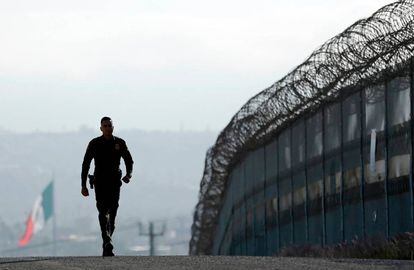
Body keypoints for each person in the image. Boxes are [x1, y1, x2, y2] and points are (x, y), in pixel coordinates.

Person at [81, 116, 134, 256]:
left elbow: (129, 160)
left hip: (114, 183)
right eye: (105, 126)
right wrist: (83, 185)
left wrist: (129, 175)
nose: (107, 128)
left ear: (113, 127)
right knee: (102, 212)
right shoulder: (95, 143)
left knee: (113, 213)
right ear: (101, 128)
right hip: (99, 182)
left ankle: (107, 243)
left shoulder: (120, 143)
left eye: (109, 126)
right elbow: (86, 164)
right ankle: (107, 241)